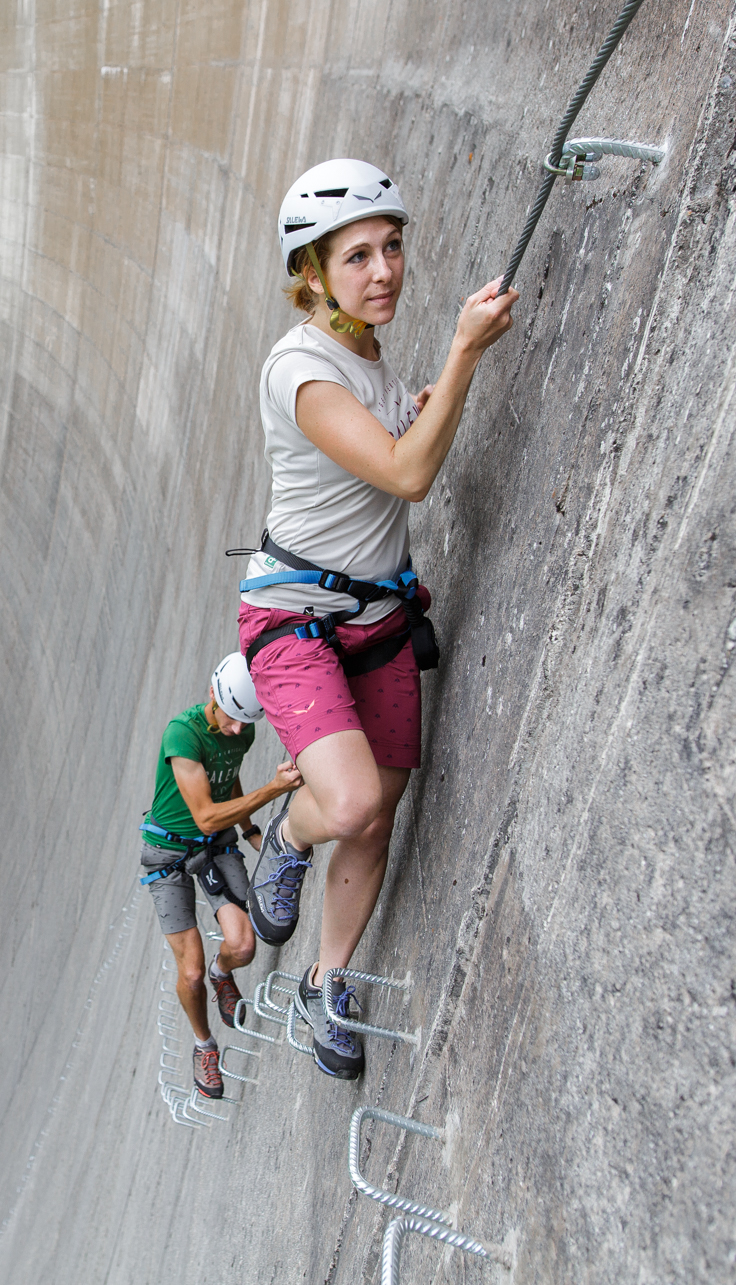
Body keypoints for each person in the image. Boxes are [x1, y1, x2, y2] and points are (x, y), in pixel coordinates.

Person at [239, 157, 517, 1081]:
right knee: (350, 801)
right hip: (295, 620)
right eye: (356, 256)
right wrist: (464, 354)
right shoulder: (301, 370)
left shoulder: (362, 352)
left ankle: (326, 982)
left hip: (380, 616)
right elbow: (407, 473)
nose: (384, 270)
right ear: (312, 273)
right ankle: (288, 836)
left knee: (376, 811)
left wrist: (422, 402)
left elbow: (394, 438)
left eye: (391, 247)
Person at [141, 653, 303, 1100]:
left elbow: (227, 777)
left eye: (245, 722)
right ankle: (203, 1045)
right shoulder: (182, 734)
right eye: (231, 718)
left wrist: (249, 830)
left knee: (244, 945)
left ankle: (222, 972)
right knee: (189, 972)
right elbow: (207, 816)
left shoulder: (241, 728)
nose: (236, 730)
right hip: (169, 853)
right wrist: (272, 790)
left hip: (213, 845)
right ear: (213, 695)